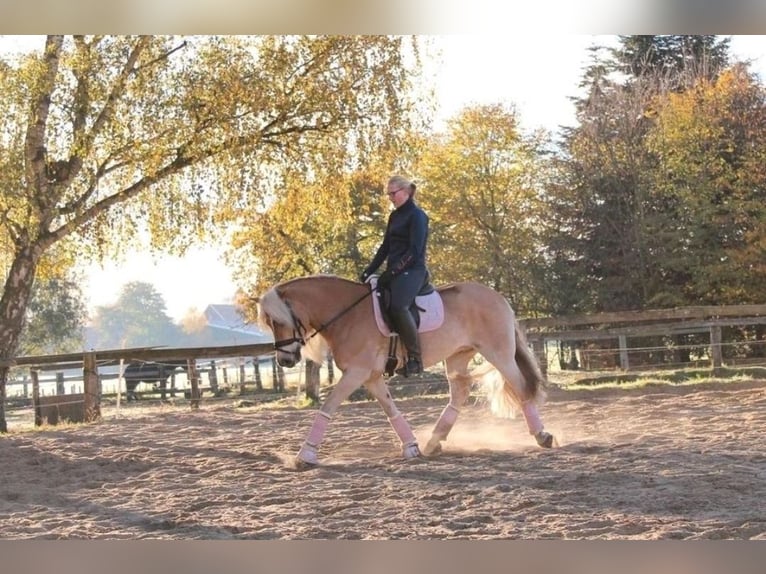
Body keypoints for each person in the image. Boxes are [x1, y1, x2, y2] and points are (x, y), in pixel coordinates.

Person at [360, 175, 429, 377]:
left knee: (399, 306)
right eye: (388, 194)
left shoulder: (418, 216)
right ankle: (389, 354)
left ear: (406, 192)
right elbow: (386, 247)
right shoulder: (394, 216)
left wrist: (392, 272)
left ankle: (416, 358)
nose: (390, 197)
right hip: (396, 271)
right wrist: (370, 270)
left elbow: (415, 251)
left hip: (414, 271)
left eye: (393, 193)